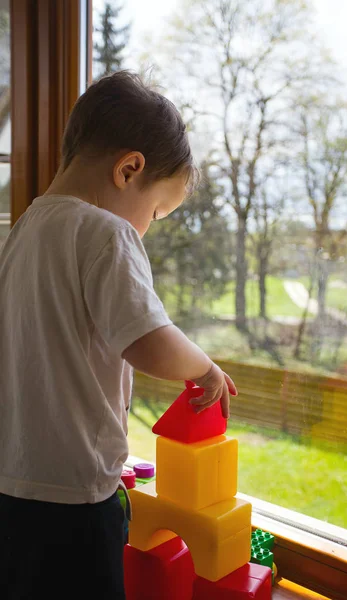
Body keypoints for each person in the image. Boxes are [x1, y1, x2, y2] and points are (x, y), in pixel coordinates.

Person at [0, 70, 237, 600]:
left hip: (13, 485)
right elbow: (148, 339)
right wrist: (204, 366)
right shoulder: (107, 233)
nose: (147, 226)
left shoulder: (25, 229)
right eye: (156, 211)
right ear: (129, 169)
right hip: (76, 499)